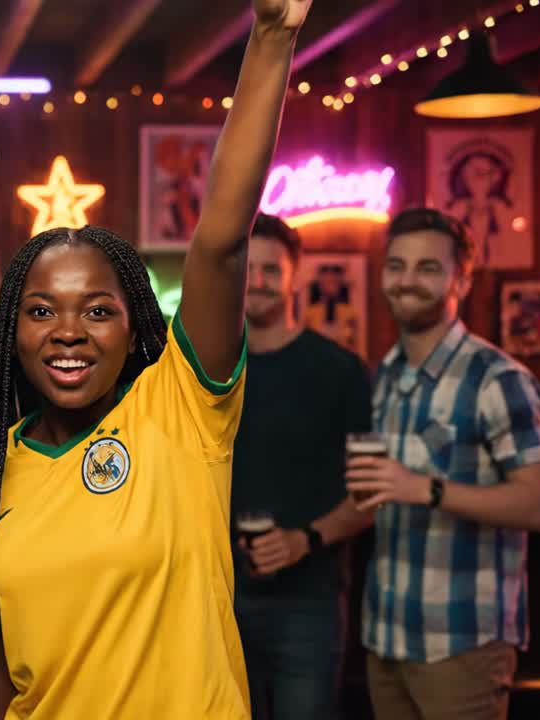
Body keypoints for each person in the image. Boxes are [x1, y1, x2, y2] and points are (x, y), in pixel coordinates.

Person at [0, 2, 312, 717]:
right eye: (41, 311)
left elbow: (222, 242)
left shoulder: (181, 410)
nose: (68, 332)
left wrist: (273, 36)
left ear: (134, 327)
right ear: (11, 333)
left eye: (97, 310)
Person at [347, 207, 540, 720]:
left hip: (462, 643)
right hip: (386, 635)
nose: (407, 281)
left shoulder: (498, 379)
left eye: (428, 268)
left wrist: (427, 489)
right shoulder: (387, 373)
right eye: (397, 266)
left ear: (462, 279)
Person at [232, 214, 374, 720]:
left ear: (296, 276)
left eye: (272, 269)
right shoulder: (211, 372)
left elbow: (371, 496)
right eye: (248, 268)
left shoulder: (340, 370)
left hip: (309, 604)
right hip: (216, 596)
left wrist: (304, 540)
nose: (257, 281)